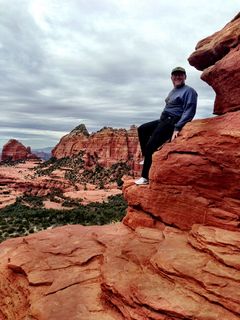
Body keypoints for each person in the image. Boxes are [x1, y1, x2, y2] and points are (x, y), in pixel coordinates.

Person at [135, 66, 198, 185]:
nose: (178, 77)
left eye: (180, 75)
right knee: (142, 129)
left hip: (172, 121)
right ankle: (146, 157)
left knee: (151, 145)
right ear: (171, 78)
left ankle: (145, 178)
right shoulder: (173, 91)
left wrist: (178, 127)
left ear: (185, 77)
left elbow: (189, 110)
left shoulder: (189, 91)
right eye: (175, 75)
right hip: (163, 119)